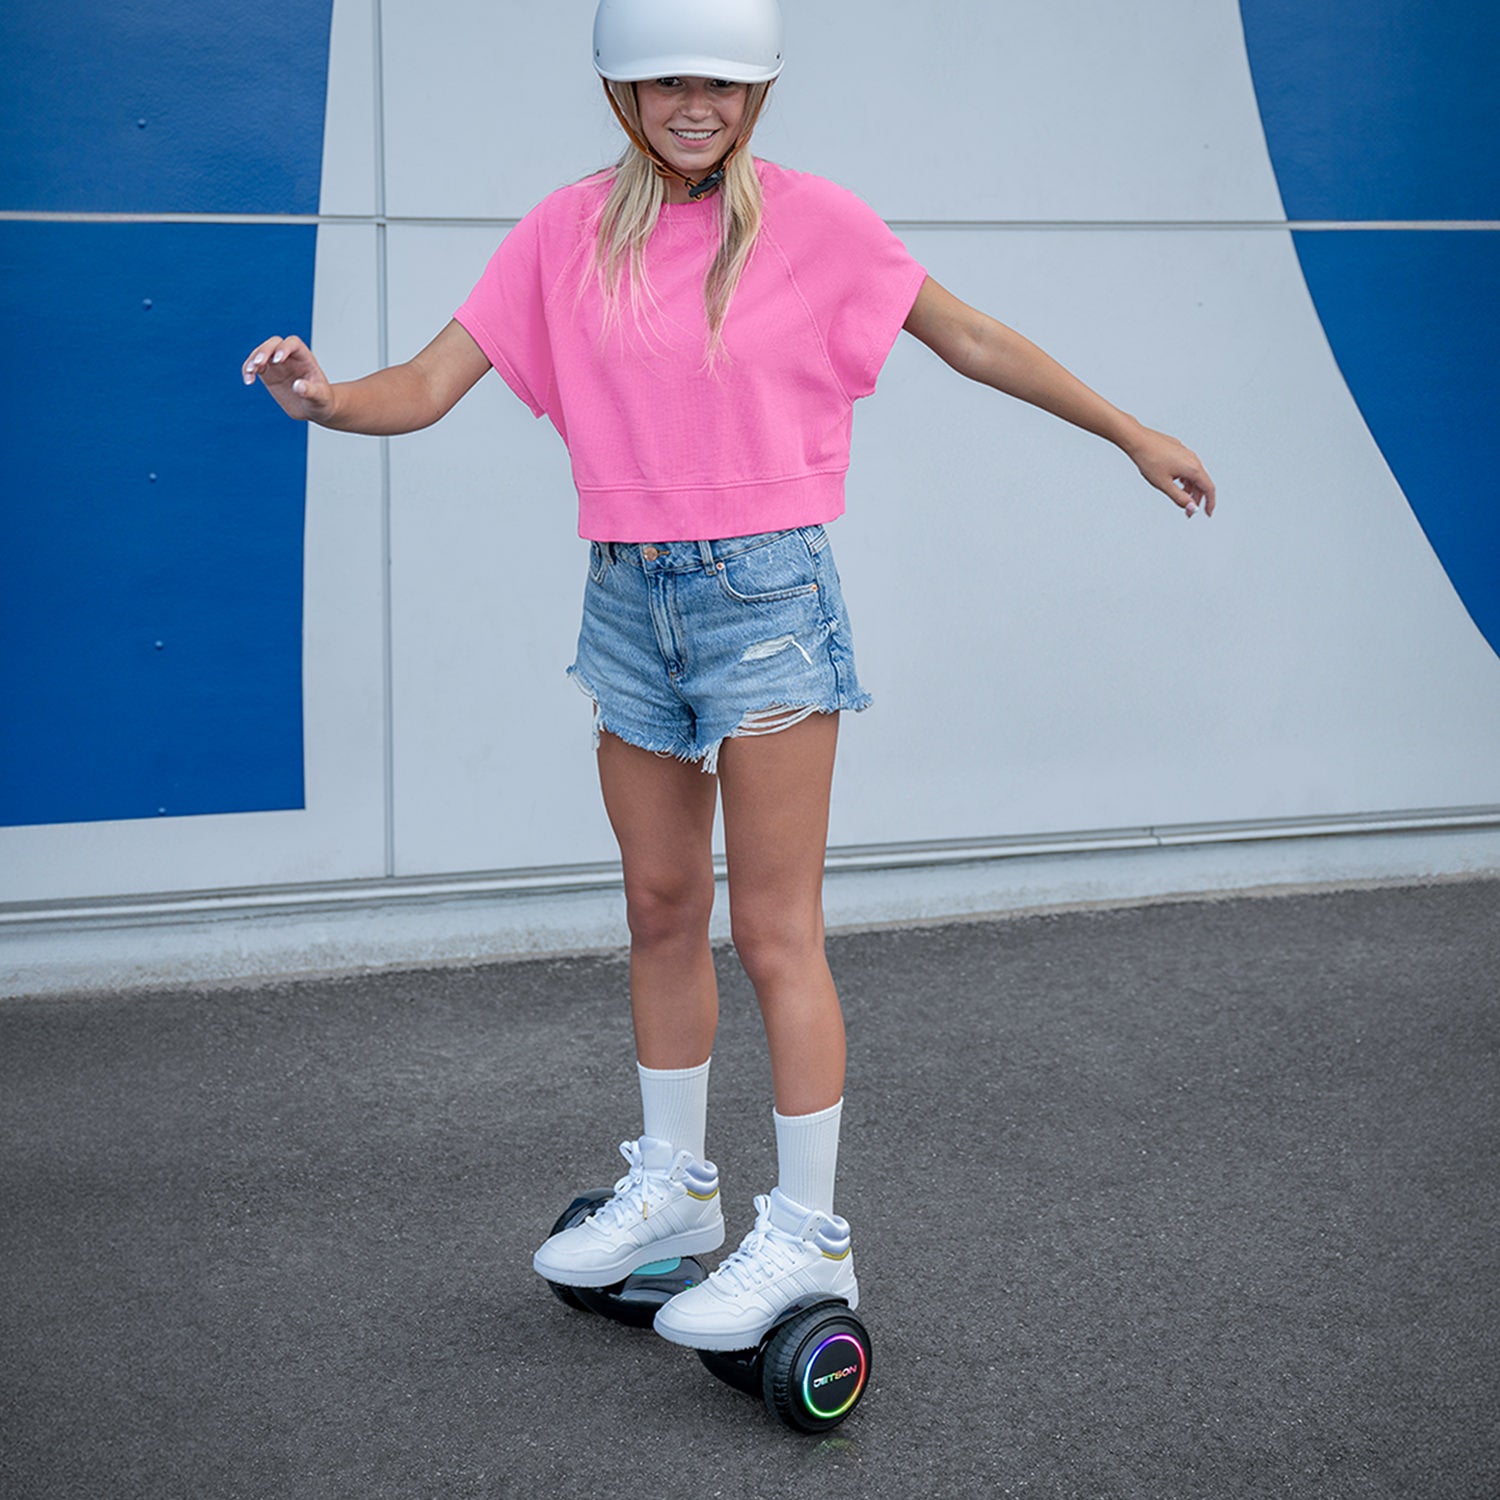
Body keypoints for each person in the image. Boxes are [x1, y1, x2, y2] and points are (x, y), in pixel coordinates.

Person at [243, 0, 1214, 1354]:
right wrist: (326, 397)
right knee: (659, 907)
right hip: (627, 601)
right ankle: (676, 1191)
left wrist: (1127, 430)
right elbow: (426, 380)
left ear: (757, 95)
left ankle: (810, 1238)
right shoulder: (562, 232)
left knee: (773, 931)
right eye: (665, 84)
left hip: (766, 599)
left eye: (720, 84)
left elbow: (971, 338)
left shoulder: (815, 223)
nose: (693, 105)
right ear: (622, 96)